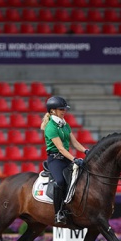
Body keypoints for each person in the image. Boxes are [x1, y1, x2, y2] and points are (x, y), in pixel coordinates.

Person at [41, 96, 89, 224]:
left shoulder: (65, 124)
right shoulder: (50, 127)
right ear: (52, 111)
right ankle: (58, 213)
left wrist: (85, 151)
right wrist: (74, 159)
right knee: (60, 182)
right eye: (61, 109)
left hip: (66, 159)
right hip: (55, 160)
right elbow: (61, 149)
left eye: (64, 109)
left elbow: (74, 142)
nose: (64, 111)